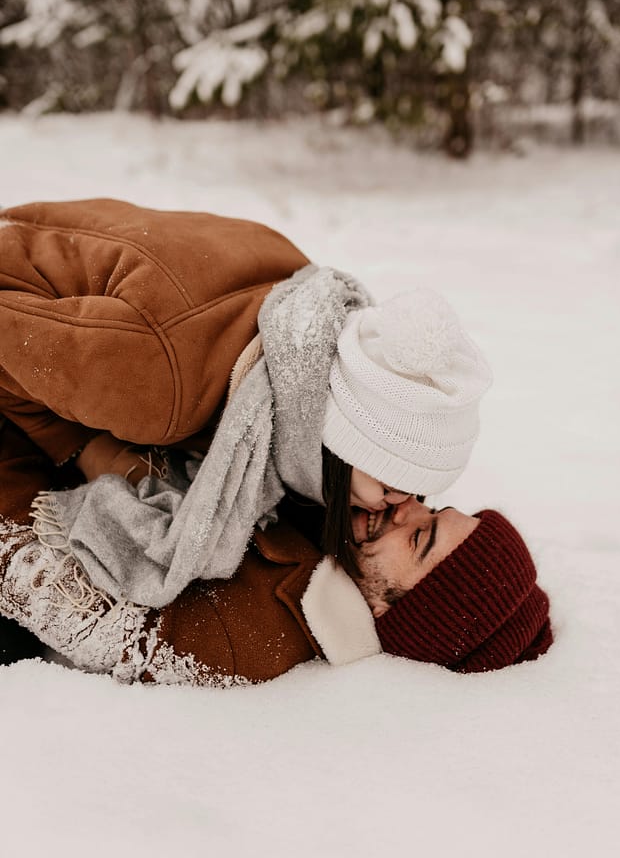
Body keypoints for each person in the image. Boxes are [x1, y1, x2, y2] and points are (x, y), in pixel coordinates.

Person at [0, 198, 492, 612]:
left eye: (418, 493)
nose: (401, 506)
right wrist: (82, 447)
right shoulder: (165, 387)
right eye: (392, 482)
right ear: (350, 435)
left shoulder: (301, 312)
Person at [0, 419, 552, 684]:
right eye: (435, 512)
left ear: (392, 611)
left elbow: (23, 563)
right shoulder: (339, 530)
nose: (408, 505)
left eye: (419, 537)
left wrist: (63, 437)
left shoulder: (245, 637)